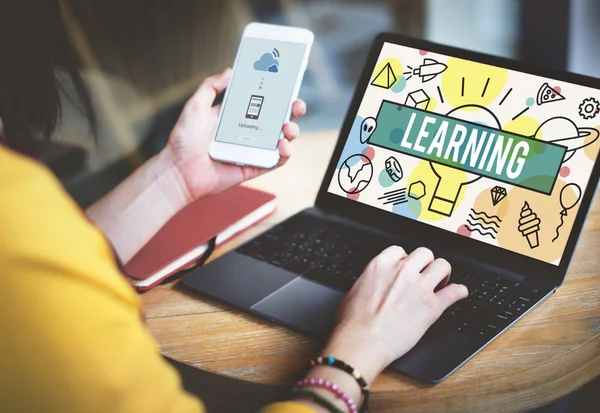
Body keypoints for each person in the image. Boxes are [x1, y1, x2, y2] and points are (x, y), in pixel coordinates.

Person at [0, 2, 468, 412]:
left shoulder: (21, 207)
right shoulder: (17, 218)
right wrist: (361, 347)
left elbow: (54, 252)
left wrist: (175, 176)